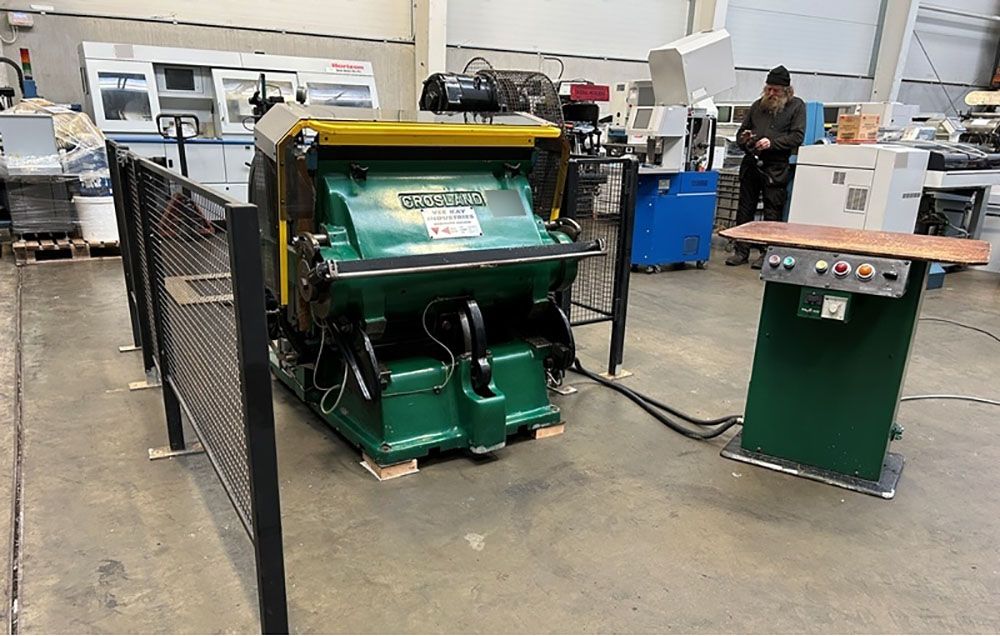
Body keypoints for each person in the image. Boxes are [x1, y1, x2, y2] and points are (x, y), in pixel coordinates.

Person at [725, 65, 806, 268]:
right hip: (752, 163)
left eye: (775, 90)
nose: (771, 93)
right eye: (768, 89)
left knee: (772, 211)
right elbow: (741, 132)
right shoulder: (757, 106)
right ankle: (741, 251)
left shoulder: (796, 107)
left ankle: (767, 253)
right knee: (745, 209)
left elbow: (797, 136)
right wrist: (745, 140)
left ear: (786, 91)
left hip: (775, 167)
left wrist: (772, 143)